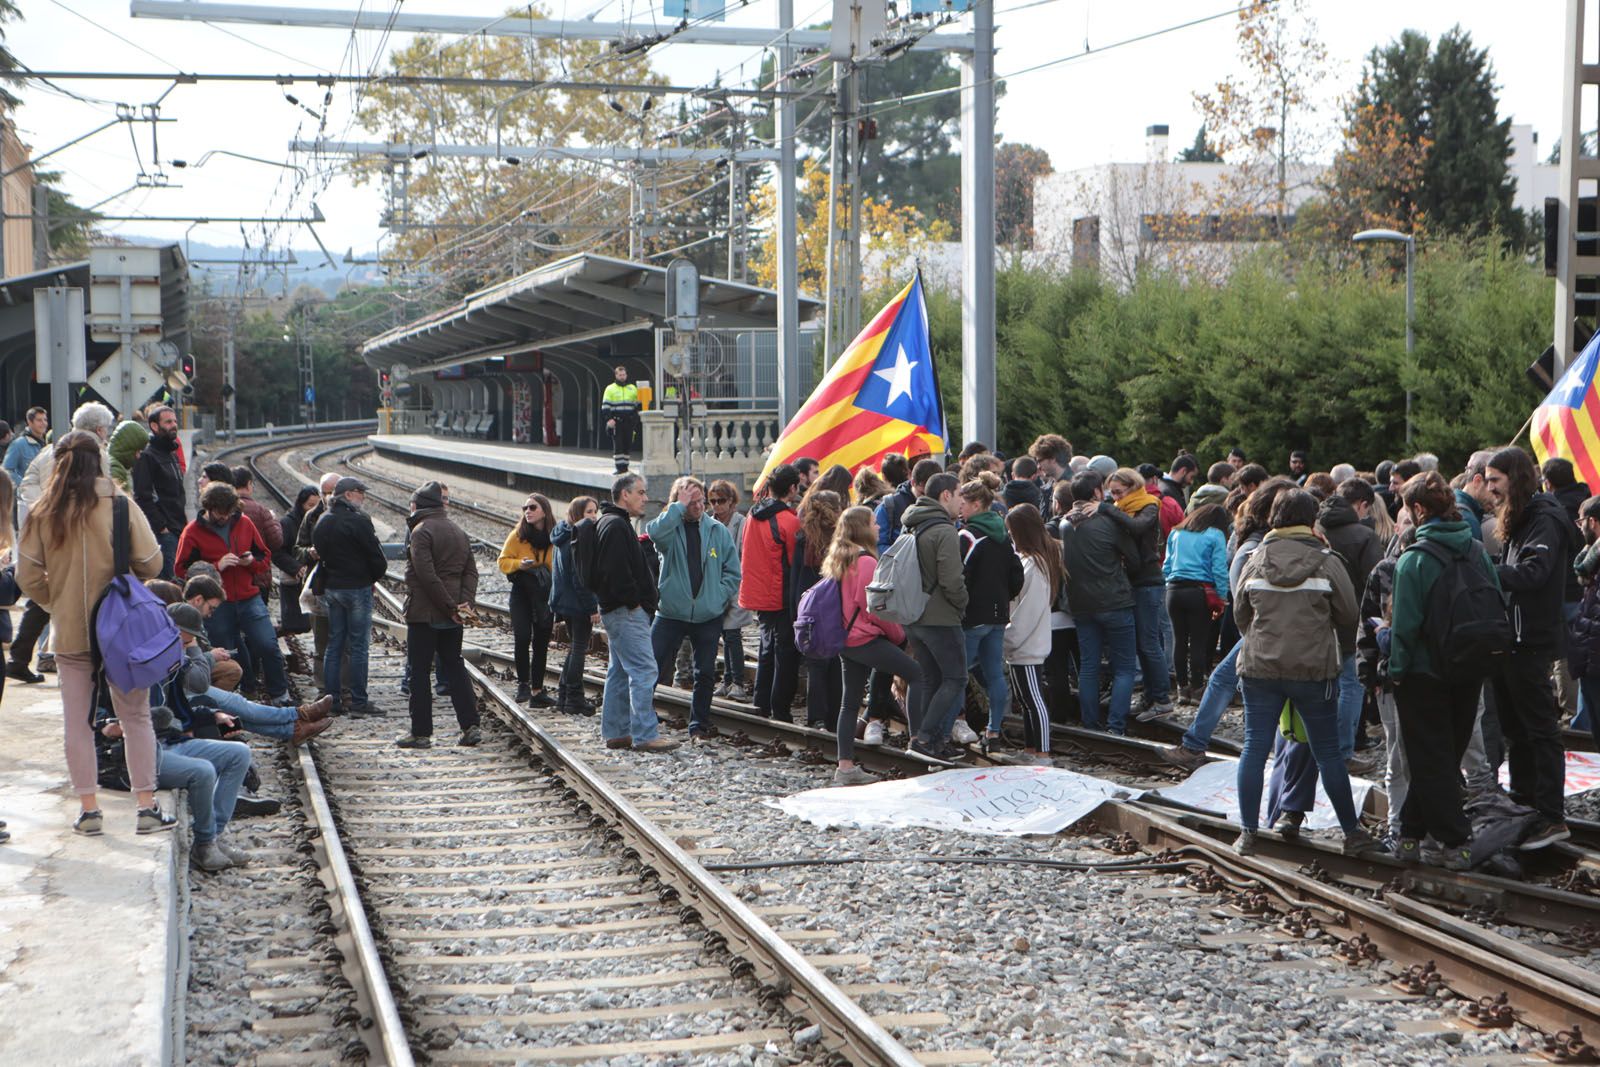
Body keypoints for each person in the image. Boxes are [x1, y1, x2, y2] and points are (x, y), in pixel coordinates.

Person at [16, 430, 173, 835]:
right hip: (121, 631)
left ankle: (88, 811)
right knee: (135, 716)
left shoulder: (43, 511)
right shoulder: (120, 504)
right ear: (99, 459)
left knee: (77, 723)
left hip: (70, 633)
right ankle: (146, 808)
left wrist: (58, 601)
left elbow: (26, 575)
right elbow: (153, 564)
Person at [1230, 488, 1377, 858]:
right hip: (1313, 670)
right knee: (1327, 752)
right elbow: (1348, 614)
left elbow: (1240, 614)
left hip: (1260, 668)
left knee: (1254, 748)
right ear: (1311, 520)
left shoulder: (1254, 557)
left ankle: (1248, 832)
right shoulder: (1326, 561)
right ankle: (1351, 833)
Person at [1384, 471, 1498, 869]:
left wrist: (1395, 671)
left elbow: (1405, 628)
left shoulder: (1413, 561)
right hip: (1469, 667)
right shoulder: (1477, 550)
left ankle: (1456, 841)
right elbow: (1495, 598)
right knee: (1444, 755)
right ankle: (1411, 836)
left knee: (1430, 759)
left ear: (1418, 509)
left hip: (1423, 674)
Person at [1162, 478, 1296, 771]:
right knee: (1232, 681)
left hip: (1265, 629)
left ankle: (1198, 745)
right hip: (1273, 628)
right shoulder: (1269, 541)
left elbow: (1243, 597)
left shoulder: (1256, 543)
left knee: (1237, 684)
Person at [1485, 446, 1574, 848]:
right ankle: (1524, 803)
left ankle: (1552, 815)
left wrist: (1484, 570)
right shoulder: (1521, 518)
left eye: (1495, 481)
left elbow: (1534, 573)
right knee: (1515, 729)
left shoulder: (1544, 519)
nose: (1489, 491)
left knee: (1539, 730)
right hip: (1512, 640)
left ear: (1514, 479)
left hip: (1530, 641)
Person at [829, 505, 923, 785]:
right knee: (917, 675)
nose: (878, 526)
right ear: (861, 528)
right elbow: (875, 608)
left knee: (849, 702)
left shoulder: (838, 558)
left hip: (845, 640)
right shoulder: (867, 562)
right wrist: (898, 636)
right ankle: (918, 743)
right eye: (873, 522)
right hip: (865, 639)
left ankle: (845, 767)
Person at [586, 473, 678, 752]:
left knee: (619, 671)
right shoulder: (616, 525)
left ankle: (616, 732)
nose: (645, 498)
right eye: (640, 492)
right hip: (626, 611)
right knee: (644, 669)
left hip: (617, 611)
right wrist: (634, 601)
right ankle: (645, 734)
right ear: (624, 495)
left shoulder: (610, 522)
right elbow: (615, 571)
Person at [176, 482, 289, 704]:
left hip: (248, 596)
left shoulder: (244, 523)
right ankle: (244, 692)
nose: (225, 517)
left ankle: (280, 695)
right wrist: (216, 566)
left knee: (267, 643)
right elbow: (181, 569)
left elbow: (264, 557)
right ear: (208, 508)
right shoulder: (192, 532)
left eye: (229, 512)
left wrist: (250, 562)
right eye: (220, 513)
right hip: (218, 604)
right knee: (229, 651)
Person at [648, 476, 740, 741]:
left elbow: (732, 572)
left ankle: (698, 725)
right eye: (692, 502)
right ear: (679, 502)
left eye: (702, 500)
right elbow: (653, 532)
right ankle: (641, 718)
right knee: (651, 666)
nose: (700, 506)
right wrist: (678, 507)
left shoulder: (716, 530)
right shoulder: (669, 529)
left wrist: (717, 597)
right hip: (670, 613)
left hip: (707, 615)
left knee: (705, 673)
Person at [397, 482, 482, 748]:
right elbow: (471, 572)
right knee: (454, 665)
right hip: (453, 615)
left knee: (419, 671)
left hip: (425, 614)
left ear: (417, 505)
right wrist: (462, 606)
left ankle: (421, 733)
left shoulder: (420, 532)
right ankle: (470, 726)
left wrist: (449, 606)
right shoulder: (458, 530)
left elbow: (426, 576)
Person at [1058, 471, 1139, 734]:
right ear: (1096, 493)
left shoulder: (1064, 524)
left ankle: (1091, 724)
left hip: (1081, 605)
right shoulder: (1107, 522)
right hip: (1115, 601)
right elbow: (1134, 557)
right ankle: (1116, 726)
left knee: (1089, 666)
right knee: (1125, 667)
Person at [901, 471, 969, 758]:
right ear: (946, 495)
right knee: (955, 678)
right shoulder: (943, 530)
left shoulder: (912, 524)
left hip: (913, 616)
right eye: (960, 494)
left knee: (932, 678)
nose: (963, 501)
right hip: (940, 617)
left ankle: (931, 739)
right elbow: (952, 579)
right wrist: (963, 604)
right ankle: (926, 739)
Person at [1318, 477, 1384, 768]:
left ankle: (1318, 747)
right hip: (1350, 620)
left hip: (1315, 617)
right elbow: (1376, 582)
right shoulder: (1364, 536)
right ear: (1362, 505)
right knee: (1351, 686)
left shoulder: (1315, 526)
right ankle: (1343, 752)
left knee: (1322, 687)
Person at [956, 478, 1023, 747]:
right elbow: (1016, 576)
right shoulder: (1003, 536)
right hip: (998, 616)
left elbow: (959, 577)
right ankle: (994, 730)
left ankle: (950, 727)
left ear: (976, 504)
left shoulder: (967, 536)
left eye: (963, 504)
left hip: (972, 617)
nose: (960, 510)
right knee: (994, 673)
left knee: (957, 674)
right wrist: (1003, 598)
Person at [312, 477, 389, 715]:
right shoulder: (358, 522)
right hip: (357, 588)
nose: (362, 496)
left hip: (333, 589)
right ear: (347, 495)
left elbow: (320, 553)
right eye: (359, 492)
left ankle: (332, 701)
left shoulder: (323, 521)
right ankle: (358, 701)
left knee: (334, 644)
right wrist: (371, 577)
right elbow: (377, 558)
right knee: (358, 646)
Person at [1103, 467, 1173, 718]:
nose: (1115, 498)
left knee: (1149, 642)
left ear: (1133, 487)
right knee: (1143, 644)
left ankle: (1162, 699)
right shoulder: (1121, 508)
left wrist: (1107, 509)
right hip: (1133, 581)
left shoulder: (1149, 505)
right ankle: (1151, 695)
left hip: (1148, 581)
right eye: (1111, 493)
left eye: (1118, 492)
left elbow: (1137, 527)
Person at [740, 464, 801, 721]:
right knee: (785, 655)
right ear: (792, 488)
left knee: (767, 650)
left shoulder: (754, 514)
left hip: (759, 594)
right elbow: (794, 562)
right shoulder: (789, 520)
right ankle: (781, 709)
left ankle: (761, 703)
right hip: (781, 596)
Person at [1004, 503, 1061, 762]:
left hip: (1026, 644)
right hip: (1023, 643)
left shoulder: (1034, 566)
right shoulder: (1035, 561)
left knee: (1033, 698)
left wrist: (1010, 637)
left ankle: (1043, 752)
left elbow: (1027, 610)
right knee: (1027, 699)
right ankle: (1031, 749)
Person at [1163, 503, 1231, 703]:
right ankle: (1197, 689)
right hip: (1199, 592)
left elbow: (1166, 566)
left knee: (1179, 640)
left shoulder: (1176, 533)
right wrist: (1222, 596)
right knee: (1199, 642)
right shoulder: (1215, 535)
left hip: (1173, 591)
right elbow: (1219, 568)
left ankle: (1181, 689)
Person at [792, 488, 845, 730]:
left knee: (815, 665)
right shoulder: (841, 537)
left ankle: (816, 718)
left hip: (810, 607)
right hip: (836, 606)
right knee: (836, 664)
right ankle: (835, 718)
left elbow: (796, 577)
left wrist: (796, 609)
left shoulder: (803, 536)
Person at [499, 493, 557, 706]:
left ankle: (537, 690)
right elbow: (502, 561)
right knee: (522, 637)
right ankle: (523, 684)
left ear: (544, 510)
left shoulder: (554, 536)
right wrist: (518, 565)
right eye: (525, 508)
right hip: (522, 592)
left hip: (543, 594)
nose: (528, 511)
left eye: (532, 507)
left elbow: (559, 564)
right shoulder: (518, 535)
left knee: (541, 642)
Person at [550, 496, 600, 715]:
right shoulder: (577, 538)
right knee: (579, 648)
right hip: (578, 604)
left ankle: (564, 696)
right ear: (578, 513)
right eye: (589, 512)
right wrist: (592, 607)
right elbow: (580, 578)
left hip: (564, 601)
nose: (594, 516)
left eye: (595, 511)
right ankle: (573, 699)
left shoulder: (562, 533)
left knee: (574, 649)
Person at [707, 480, 750, 701]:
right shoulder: (709, 523)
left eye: (721, 501)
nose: (716, 506)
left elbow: (744, 553)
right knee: (723, 634)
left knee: (732, 634)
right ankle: (727, 680)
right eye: (712, 501)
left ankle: (738, 682)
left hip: (735, 584)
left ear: (732, 501)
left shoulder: (741, 523)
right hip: (715, 585)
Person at [131, 405, 186, 580]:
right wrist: (162, 527)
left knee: (177, 581)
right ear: (154, 426)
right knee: (167, 585)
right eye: (168, 422)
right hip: (164, 534)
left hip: (177, 528)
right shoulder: (148, 457)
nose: (174, 425)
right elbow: (142, 496)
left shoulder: (172, 454)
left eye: (175, 421)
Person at [232, 466, 291, 605]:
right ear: (249, 484)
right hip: (258, 576)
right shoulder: (261, 510)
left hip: (231, 577)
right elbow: (276, 542)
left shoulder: (222, 509)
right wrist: (274, 520)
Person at [876, 457, 942, 553]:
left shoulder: (944, 502)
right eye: (922, 493)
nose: (928, 499)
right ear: (913, 482)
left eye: (932, 495)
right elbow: (877, 545)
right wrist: (903, 556)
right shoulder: (890, 506)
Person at [279, 485, 320, 635]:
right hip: (294, 578)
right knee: (296, 624)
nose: (313, 509)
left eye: (316, 505)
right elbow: (278, 552)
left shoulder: (320, 520)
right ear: (301, 504)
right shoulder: (287, 523)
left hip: (315, 577)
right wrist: (296, 567)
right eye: (310, 505)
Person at [601, 365, 641, 473]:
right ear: (616, 375)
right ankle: (619, 467)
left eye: (624, 375)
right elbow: (605, 406)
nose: (622, 377)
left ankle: (625, 466)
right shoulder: (610, 388)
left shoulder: (632, 388)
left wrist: (635, 418)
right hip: (616, 421)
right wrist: (609, 419)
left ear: (626, 375)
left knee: (627, 444)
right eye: (620, 375)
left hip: (629, 421)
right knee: (618, 444)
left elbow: (638, 404)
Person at [3, 405, 47, 488]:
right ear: (29, 422)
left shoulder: (47, 444)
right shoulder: (18, 444)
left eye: (45, 420)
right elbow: (7, 470)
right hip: (27, 498)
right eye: (39, 420)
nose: (44, 423)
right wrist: (24, 485)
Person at [107, 419, 149, 495]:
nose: (138, 456)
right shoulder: (115, 468)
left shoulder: (114, 464)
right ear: (127, 448)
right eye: (137, 451)